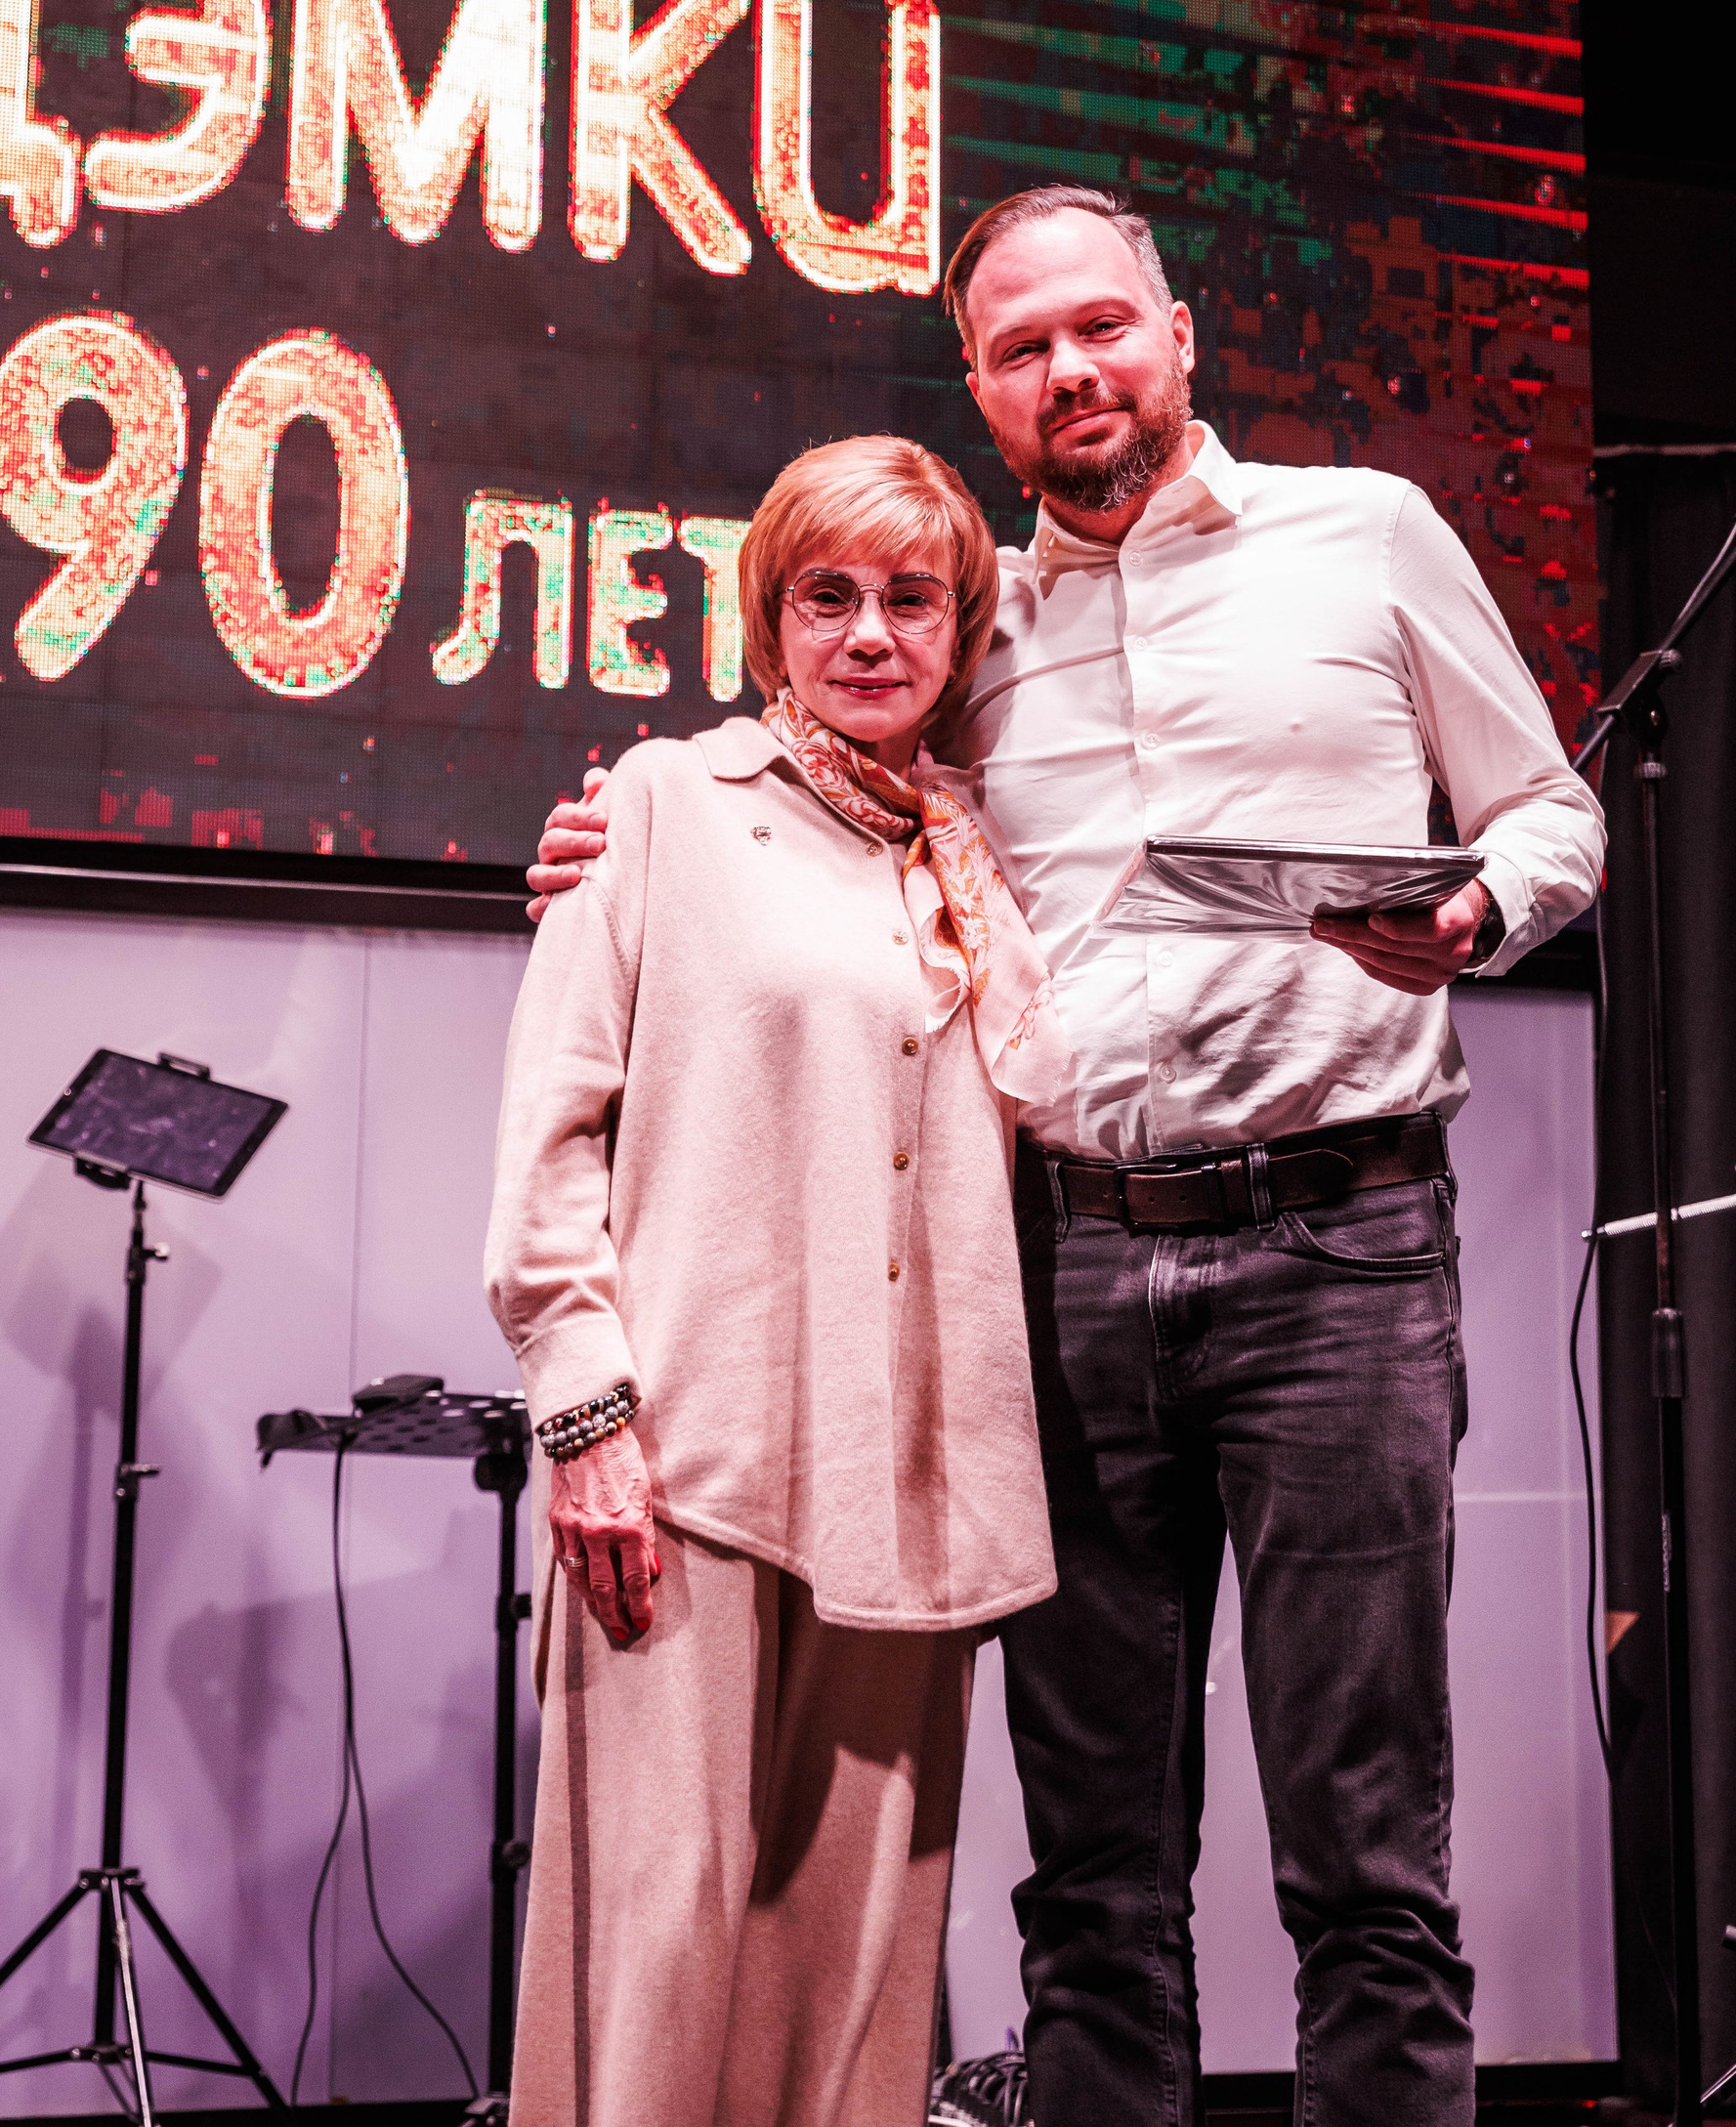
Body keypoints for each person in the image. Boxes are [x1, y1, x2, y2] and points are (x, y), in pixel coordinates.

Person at [528, 186, 1607, 2127]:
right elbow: (826, 791)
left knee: (1366, 1853)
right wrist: (625, 846)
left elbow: (1552, 812)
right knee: (1094, 1872)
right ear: (981, 387)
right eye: (1022, 348)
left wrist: (1477, 908)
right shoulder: (973, 624)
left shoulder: (1369, 537)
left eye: (1102, 326)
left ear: (1178, 333)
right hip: (1062, 1272)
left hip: (1341, 1249)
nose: (1072, 370)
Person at [485, 433, 1068, 2127]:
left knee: (857, 1981)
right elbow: (550, 1138)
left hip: (917, 1491)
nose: (871, 633)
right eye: (830, 596)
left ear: (961, 632)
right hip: (690, 1470)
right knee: (656, 1957)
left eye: (912, 600)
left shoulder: (976, 865)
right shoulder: (662, 805)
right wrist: (588, 1420)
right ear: (770, 619)